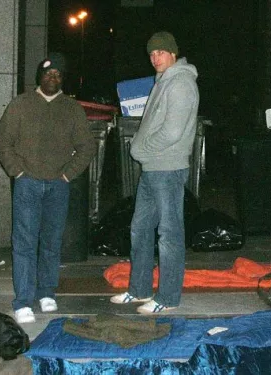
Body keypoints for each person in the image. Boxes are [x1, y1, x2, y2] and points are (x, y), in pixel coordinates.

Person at [0, 53, 96, 324]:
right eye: (48, 73)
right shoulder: (21, 104)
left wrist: (67, 175)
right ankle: (23, 300)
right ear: (40, 76)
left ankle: (46, 291)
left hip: (57, 187)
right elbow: (2, 142)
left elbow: (87, 147)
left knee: (51, 242)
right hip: (27, 184)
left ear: (62, 79)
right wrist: (18, 172)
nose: (53, 77)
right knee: (25, 243)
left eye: (58, 74)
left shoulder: (72, 109)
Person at [111, 31, 200, 314]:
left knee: (169, 234)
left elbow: (172, 131)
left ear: (173, 53)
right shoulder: (163, 82)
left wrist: (142, 149)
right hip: (152, 170)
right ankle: (138, 290)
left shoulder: (181, 83)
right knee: (139, 229)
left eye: (160, 52)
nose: (155, 58)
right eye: (151, 54)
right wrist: (144, 151)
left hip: (168, 169)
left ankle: (168, 298)